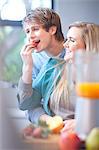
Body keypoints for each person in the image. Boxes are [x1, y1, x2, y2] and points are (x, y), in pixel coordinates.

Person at [17, 7, 65, 123]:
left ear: (52, 30)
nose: (30, 36)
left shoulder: (73, 51)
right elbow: (27, 104)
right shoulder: (34, 60)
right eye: (28, 31)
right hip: (50, 125)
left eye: (35, 29)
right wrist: (27, 67)